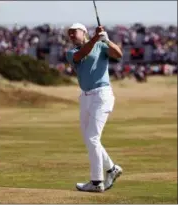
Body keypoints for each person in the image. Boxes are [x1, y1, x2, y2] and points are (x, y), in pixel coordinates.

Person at [66, 23, 123, 192]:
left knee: (92, 138)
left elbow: (118, 54)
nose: (71, 36)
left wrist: (107, 40)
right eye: (68, 34)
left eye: (73, 32)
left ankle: (97, 182)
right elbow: (82, 54)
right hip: (85, 97)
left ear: (83, 32)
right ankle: (112, 169)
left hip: (102, 95)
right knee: (89, 138)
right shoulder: (71, 53)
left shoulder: (100, 45)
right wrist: (96, 38)